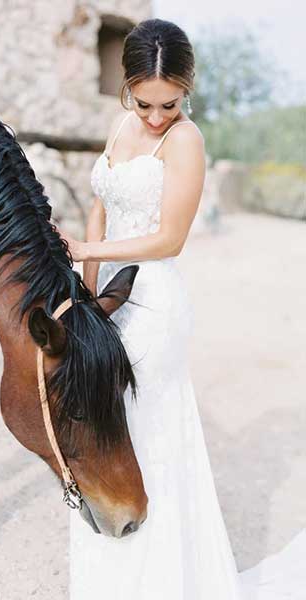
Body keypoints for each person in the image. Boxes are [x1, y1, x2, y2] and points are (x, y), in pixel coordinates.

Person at [60, 18, 306, 600]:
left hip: (153, 304)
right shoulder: (121, 125)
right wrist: (88, 298)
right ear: (126, 88)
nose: (152, 117)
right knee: (103, 434)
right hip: (108, 300)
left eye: (168, 104)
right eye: (142, 102)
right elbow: (99, 207)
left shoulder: (186, 141)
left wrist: (89, 250)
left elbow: (169, 239)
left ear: (187, 90)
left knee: (146, 440)